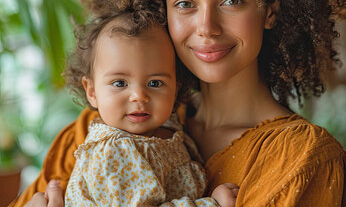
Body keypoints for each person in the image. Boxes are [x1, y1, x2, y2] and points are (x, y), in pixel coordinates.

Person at [13, 0, 346, 207]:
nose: (206, 27)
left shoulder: (300, 160)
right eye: (184, 4)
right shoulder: (103, 126)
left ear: (270, 11)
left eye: (232, 1)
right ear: (162, 9)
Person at [63, 13, 237, 206]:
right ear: (92, 91)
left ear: (175, 89)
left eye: (155, 83)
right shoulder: (114, 152)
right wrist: (212, 203)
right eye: (120, 83)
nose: (139, 95)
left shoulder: (170, 126)